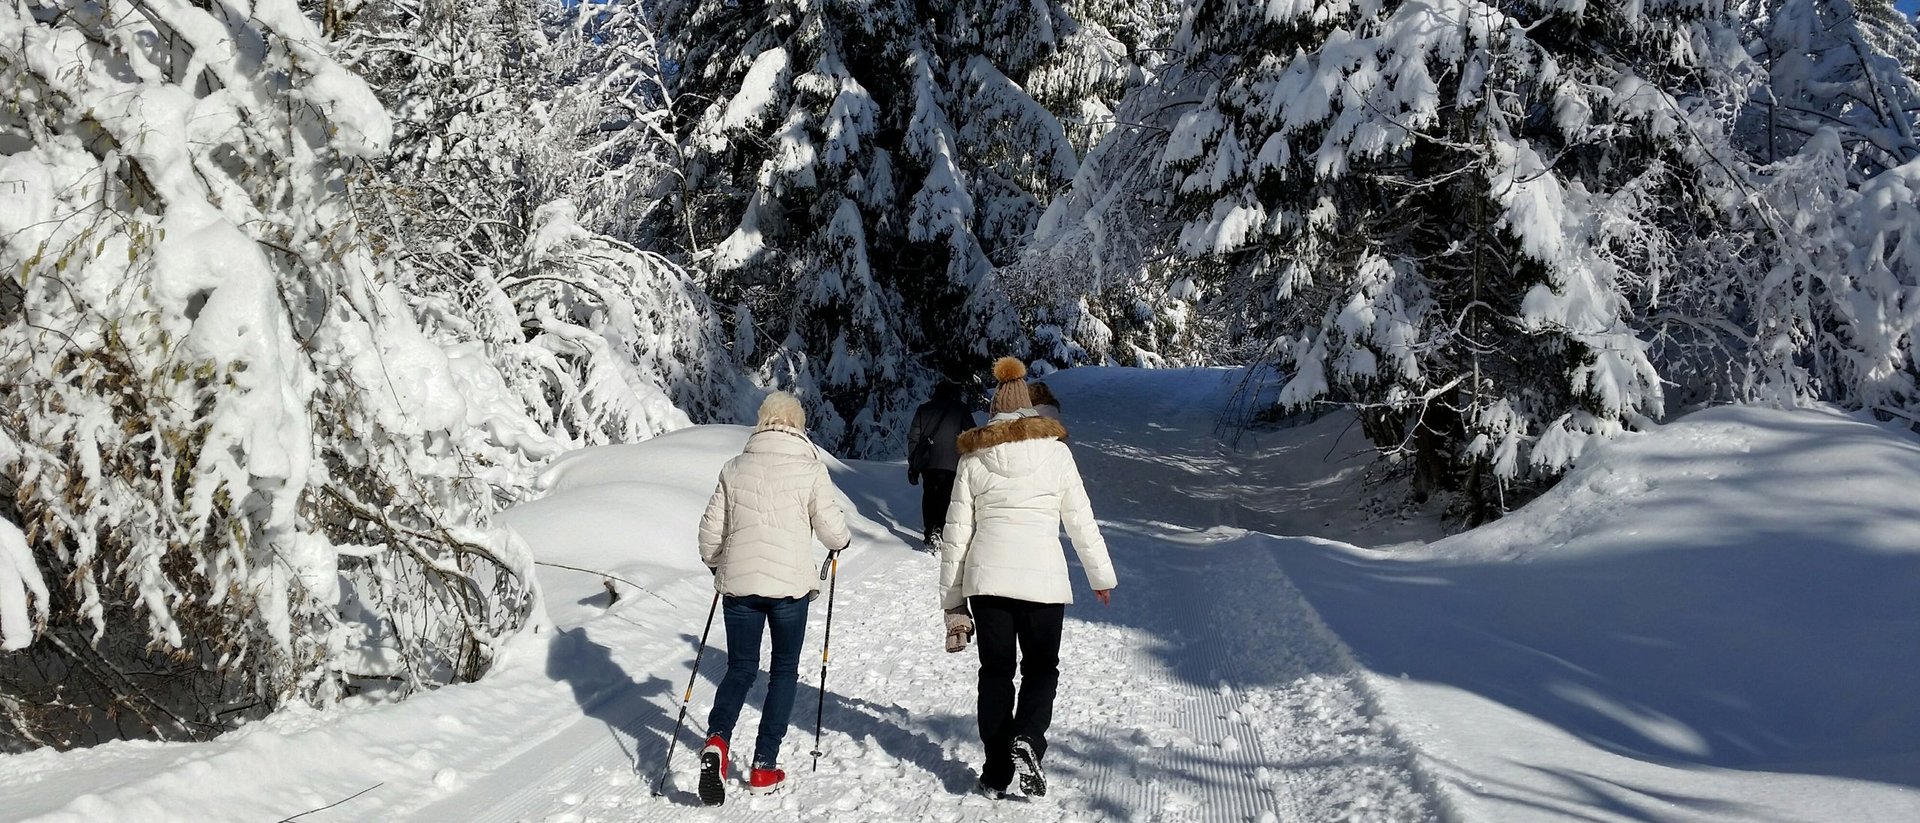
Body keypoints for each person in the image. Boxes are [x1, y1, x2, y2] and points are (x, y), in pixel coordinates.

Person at [937, 357, 1116, 800]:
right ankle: (1029, 739)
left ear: (994, 409)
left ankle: (996, 770)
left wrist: (952, 601)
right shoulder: (1056, 453)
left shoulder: (973, 459)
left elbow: (956, 534)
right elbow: (1080, 519)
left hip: (987, 582)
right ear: (1031, 411)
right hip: (1043, 581)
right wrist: (1100, 574)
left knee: (995, 672)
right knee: (1041, 668)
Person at [696, 391, 851, 805]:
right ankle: (764, 766)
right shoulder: (810, 469)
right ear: (798, 427)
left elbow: (709, 536)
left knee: (740, 668)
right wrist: (843, 540)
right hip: (789, 592)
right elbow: (835, 533)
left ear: (762, 423)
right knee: (783, 673)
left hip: (739, 589)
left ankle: (717, 741)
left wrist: (719, 566)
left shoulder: (734, 468)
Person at [906, 379, 976, 550]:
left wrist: (913, 463)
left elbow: (913, 437)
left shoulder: (924, 409)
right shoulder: (960, 409)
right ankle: (942, 529)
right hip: (952, 462)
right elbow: (972, 434)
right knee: (946, 495)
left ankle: (930, 531)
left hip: (928, 462)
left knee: (929, 494)